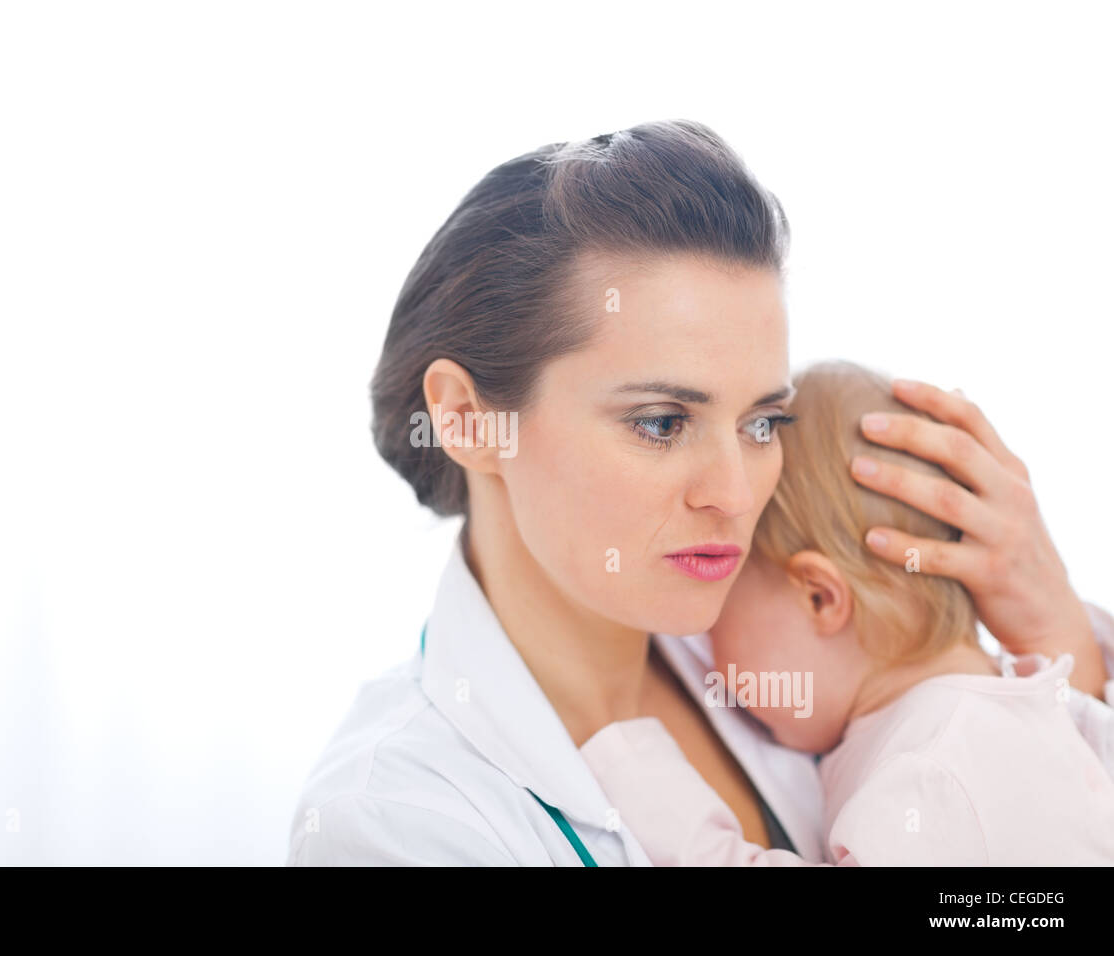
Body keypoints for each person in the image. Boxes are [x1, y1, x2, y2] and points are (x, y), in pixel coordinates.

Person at [286, 120, 1114, 866]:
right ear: (468, 421)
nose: (736, 495)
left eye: (762, 425)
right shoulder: (392, 819)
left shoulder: (788, 639)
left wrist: (1061, 637)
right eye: (659, 422)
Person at [580, 361, 1114, 865]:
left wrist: (642, 781)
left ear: (820, 597)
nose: (707, 646)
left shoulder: (930, 764)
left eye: (721, 595)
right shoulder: (1015, 721)